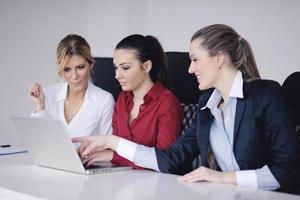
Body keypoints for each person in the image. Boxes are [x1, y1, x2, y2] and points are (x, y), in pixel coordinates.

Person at [73, 25, 300, 193]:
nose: (190, 69)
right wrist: (112, 142)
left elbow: (287, 171)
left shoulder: (266, 95)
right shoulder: (206, 105)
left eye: (195, 59)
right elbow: (171, 159)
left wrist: (223, 178)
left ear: (219, 59)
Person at [80, 34, 183, 169]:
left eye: (125, 67)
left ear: (146, 66)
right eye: (116, 67)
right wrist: (94, 152)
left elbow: (164, 162)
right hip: (123, 178)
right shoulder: (123, 99)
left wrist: (112, 155)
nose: (117, 75)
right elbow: (116, 149)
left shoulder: (167, 103)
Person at [28, 34, 115, 138]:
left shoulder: (104, 100)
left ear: (91, 65)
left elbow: (107, 145)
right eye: (67, 69)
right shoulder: (48, 95)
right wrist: (40, 105)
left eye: (80, 67)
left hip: (86, 155)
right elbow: (38, 141)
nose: (74, 76)